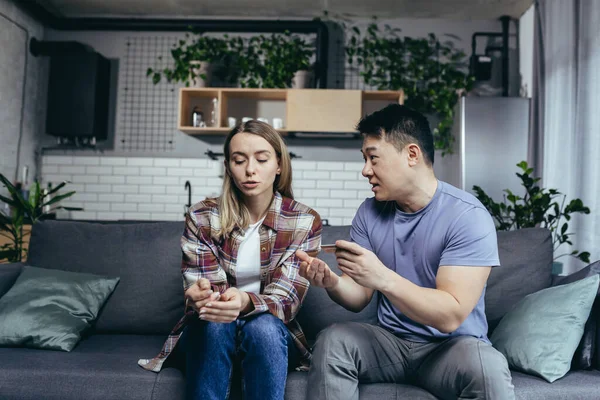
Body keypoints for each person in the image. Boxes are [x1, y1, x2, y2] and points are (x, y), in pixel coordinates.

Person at [296, 104, 515, 400]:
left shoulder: (467, 216)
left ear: (412, 154)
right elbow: (359, 297)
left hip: (451, 347)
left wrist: (382, 277)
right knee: (334, 339)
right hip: (390, 343)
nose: (365, 170)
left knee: (486, 366)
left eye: (373, 158)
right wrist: (332, 283)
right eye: (364, 159)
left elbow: (450, 315)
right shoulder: (369, 213)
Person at [138, 120, 322, 400]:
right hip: (213, 328)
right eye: (239, 160)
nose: (250, 169)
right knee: (215, 323)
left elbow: (287, 300)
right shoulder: (201, 217)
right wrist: (199, 295)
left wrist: (246, 301)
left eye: (262, 159)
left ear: (279, 165)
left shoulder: (304, 221)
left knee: (264, 327)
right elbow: (208, 295)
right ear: (227, 167)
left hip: (267, 331)